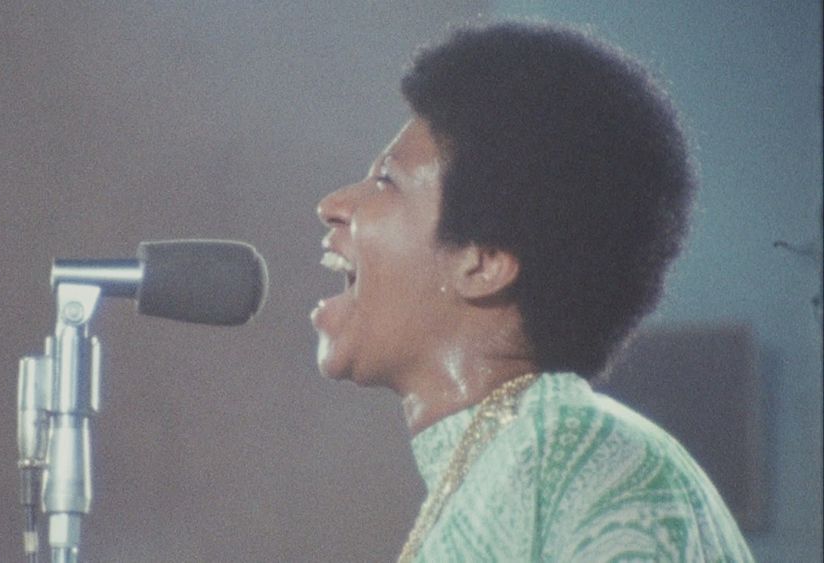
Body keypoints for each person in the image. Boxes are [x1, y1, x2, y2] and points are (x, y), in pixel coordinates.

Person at [309, 21, 754, 562]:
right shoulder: (520, 463)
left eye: (387, 181)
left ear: (484, 262)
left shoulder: (592, 469)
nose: (333, 204)